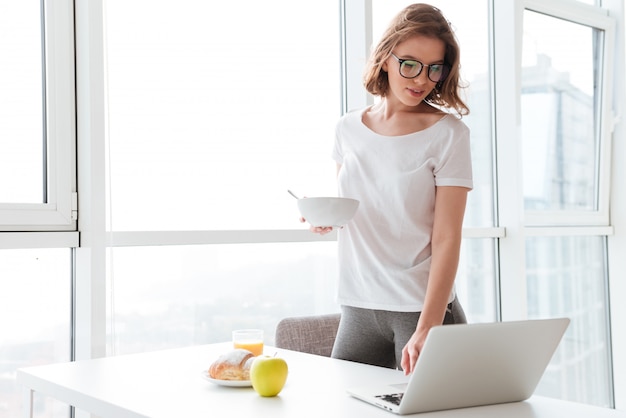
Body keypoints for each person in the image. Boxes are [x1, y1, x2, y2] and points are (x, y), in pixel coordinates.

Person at [304, 3, 472, 375]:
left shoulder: (449, 135)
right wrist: (325, 218)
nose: (421, 79)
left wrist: (429, 325)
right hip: (358, 302)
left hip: (421, 307)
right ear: (384, 59)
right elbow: (356, 209)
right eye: (409, 63)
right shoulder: (347, 129)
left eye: (434, 68)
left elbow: (447, 237)